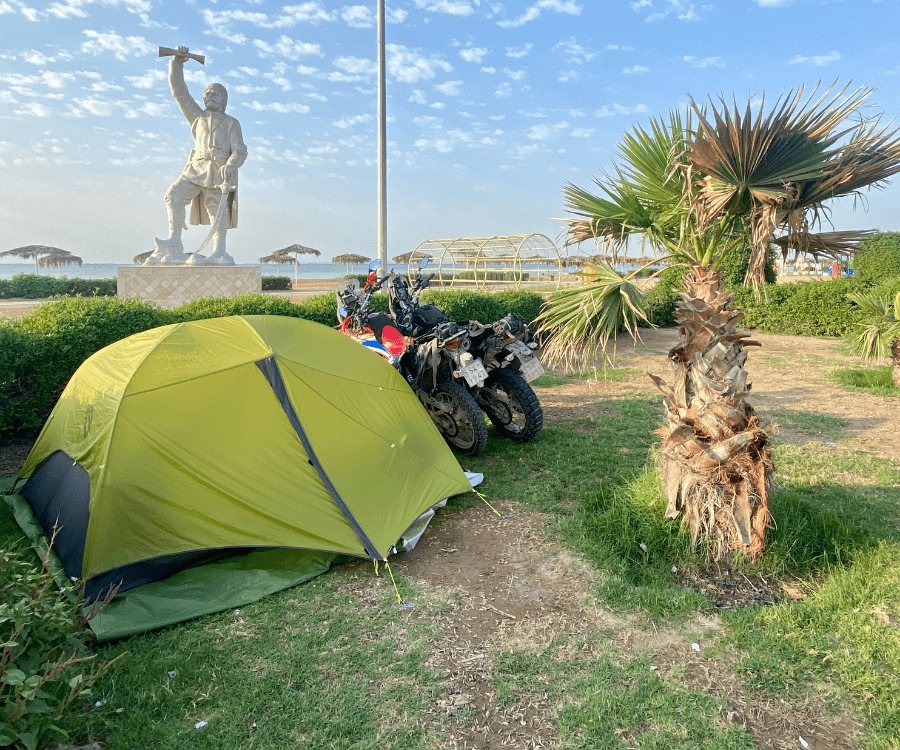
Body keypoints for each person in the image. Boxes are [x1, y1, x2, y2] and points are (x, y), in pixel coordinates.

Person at [147, 46, 248, 265]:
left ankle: (218, 252)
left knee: (216, 211)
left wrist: (232, 163)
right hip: (195, 169)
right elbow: (179, 91)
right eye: (207, 93)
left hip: (219, 171)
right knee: (173, 196)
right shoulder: (197, 118)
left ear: (223, 100)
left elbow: (240, 149)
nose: (210, 96)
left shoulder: (232, 123)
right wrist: (177, 62)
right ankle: (174, 241)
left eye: (215, 94)